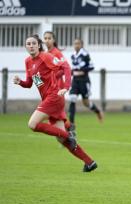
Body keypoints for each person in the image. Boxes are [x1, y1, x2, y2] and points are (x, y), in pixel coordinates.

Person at [13, 34, 97, 172]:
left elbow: (66, 67)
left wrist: (66, 87)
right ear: (25, 47)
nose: (31, 46)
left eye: (34, 43)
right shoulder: (28, 61)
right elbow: (29, 83)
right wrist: (20, 82)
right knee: (61, 140)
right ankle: (89, 162)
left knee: (32, 124)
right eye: (28, 44)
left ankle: (68, 135)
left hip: (54, 97)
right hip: (49, 99)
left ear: (39, 45)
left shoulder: (46, 57)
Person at [69, 38, 104, 134]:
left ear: (82, 45)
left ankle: (97, 111)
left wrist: (82, 71)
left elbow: (92, 66)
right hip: (75, 81)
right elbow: (73, 69)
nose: (76, 45)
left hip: (84, 81)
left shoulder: (85, 54)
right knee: (72, 98)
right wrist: (70, 72)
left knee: (86, 103)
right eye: (75, 43)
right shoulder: (73, 56)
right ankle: (71, 124)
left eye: (78, 43)